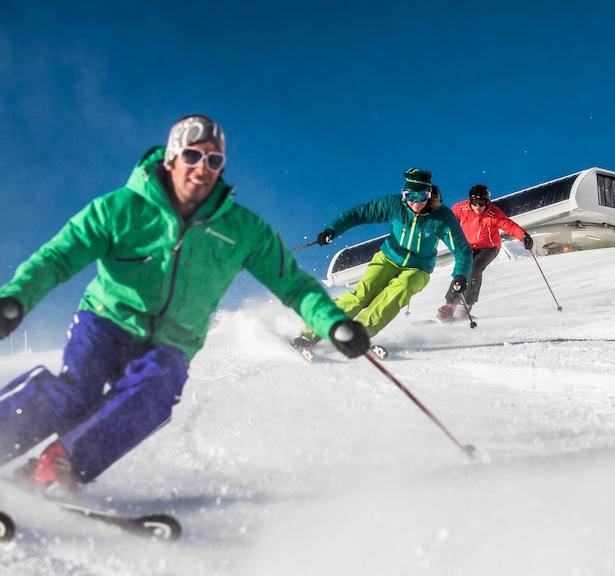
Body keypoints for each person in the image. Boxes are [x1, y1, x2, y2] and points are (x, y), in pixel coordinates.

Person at [0, 115, 369, 491]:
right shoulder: (122, 208)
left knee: (157, 391)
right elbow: (57, 257)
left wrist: (333, 324)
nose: (202, 168)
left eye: (213, 161)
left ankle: (55, 467)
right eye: (193, 156)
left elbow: (293, 284)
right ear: (171, 158)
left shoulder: (241, 229)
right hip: (108, 319)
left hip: (173, 340)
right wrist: (14, 300)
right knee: (77, 391)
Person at [293, 168, 472, 346]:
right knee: (362, 295)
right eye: (411, 197)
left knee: (396, 293)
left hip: (419, 268)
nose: (416, 204)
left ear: (429, 194)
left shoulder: (442, 217)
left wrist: (460, 274)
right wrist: (333, 229)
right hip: (388, 258)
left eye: (422, 197)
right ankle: (311, 331)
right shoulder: (394, 205)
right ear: (404, 194)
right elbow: (360, 213)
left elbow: (461, 250)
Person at [436, 184, 532, 321]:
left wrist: (524, 236)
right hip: (469, 247)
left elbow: (509, 226)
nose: (478, 206)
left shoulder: (494, 213)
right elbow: (448, 219)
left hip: (489, 247)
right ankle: (450, 305)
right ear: (470, 201)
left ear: (488, 202)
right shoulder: (461, 208)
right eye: (475, 202)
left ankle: (466, 306)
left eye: (481, 202)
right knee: (462, 271)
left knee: (475, 269)